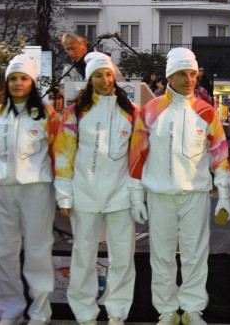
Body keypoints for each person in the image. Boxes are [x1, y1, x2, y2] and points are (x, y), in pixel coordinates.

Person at [128, 47, 230, 325]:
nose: (189, 79)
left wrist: (223, 194)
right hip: (160, 194)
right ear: (170, 76)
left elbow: (220, 157)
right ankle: (166, 310)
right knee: (161, 255)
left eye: (192, 74)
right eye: (182, 74)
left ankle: (192, 309)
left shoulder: (207, 112)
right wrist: (136, 196)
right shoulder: (150, 111)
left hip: (195, 195)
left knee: (195, 255)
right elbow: (138, 155)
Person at [54, 52, 138, 325]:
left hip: (120, 194)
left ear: (115, 76)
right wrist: (64, 194)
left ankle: (117, 312)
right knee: (83, 254)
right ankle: (85, 312)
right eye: (99, 75)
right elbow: (64, 155)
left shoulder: (130, 111)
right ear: (89, 79)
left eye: (109, 74)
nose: (105, 80)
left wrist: (137, 192)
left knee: (123, 257)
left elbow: (138, 155)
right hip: (85, 193)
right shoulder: (76, 112)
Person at [0, 54, 59, 325]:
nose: (18, 83)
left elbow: (55, 153)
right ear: (6, 82)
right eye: (13, 79)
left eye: (23, 78)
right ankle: (10, 312)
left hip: (36, 189)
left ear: (32, 82)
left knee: (38, 250)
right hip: (2, 190)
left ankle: (40, 313)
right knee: (2, 250)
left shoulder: (47, 115)